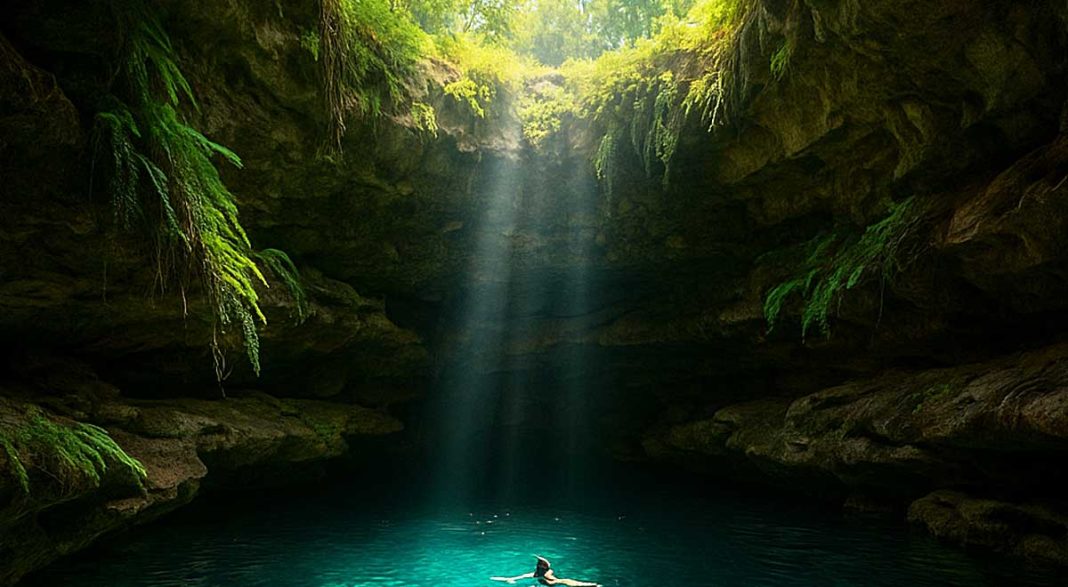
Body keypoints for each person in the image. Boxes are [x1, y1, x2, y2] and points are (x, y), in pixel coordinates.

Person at [491, 555, 601, 586]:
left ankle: (592, 585)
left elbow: (567, 582)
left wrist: (590, 585)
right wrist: (507, 580)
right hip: (545, 579)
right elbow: (511, 578)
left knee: (564, 581)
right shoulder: (535, 574)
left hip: (550, 581)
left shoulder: (548, 576)